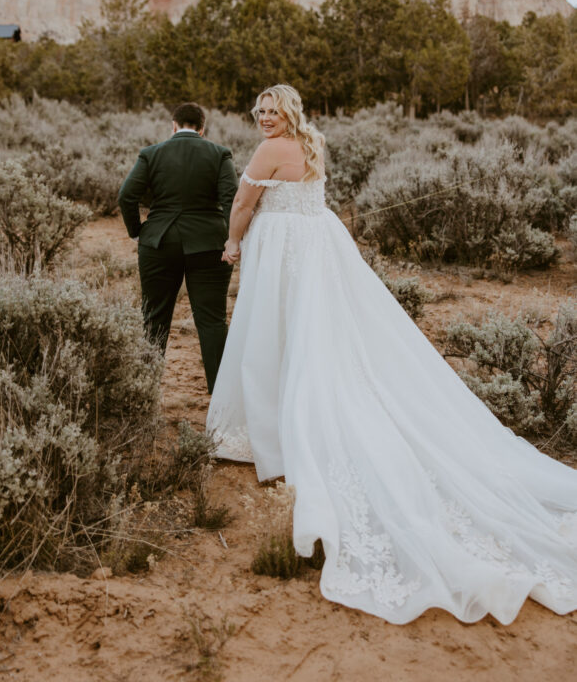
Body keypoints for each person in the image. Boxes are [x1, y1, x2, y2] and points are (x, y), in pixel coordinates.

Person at [206, 84, 577, 624]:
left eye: (272, 110)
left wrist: (234, 242)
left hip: (284, 246)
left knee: (276, 331)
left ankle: (276, 428)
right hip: (319, 244)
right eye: (260, 111)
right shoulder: (314, 142)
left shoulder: (267, 150)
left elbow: (243, 202)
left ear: (288, 113)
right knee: (320, 332)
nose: (264, 118)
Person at [118, 102, 238, 393]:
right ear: (202, 128)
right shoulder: (219, 153)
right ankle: (219, 397)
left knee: (154, 318)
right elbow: (231, 198)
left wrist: (138, 232)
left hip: (159, 241)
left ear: (173, 125)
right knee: (212, 321)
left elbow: (126, 196)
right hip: (209, 244)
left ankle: (146, 392)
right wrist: (233, 237)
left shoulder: (151, 153)